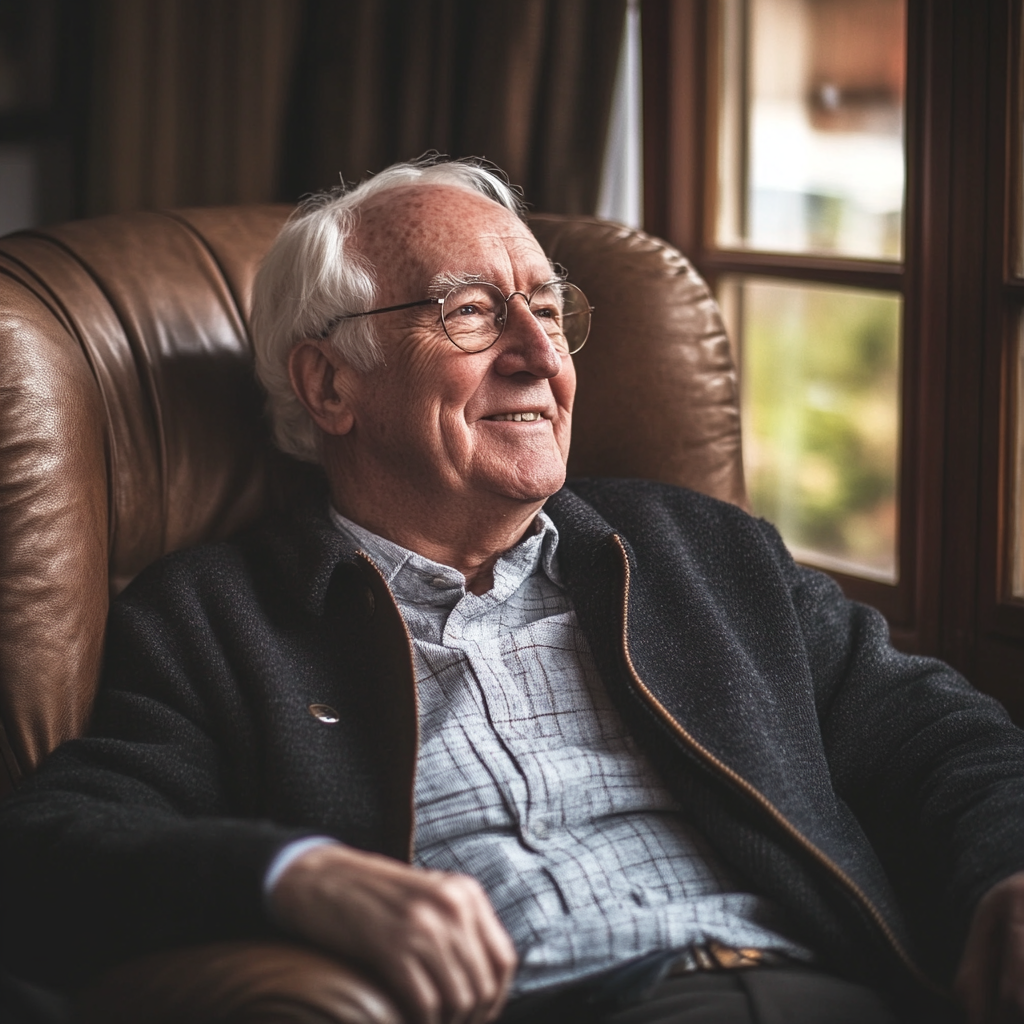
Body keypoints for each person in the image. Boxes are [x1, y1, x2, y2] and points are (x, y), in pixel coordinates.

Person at [1, 156, 1024, 1024]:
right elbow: (51, 852)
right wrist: (295, 877)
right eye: (471, 312)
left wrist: (1006, 872)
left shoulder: (704, 551)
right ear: (329, 386)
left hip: (825, 991)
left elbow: (940, 736)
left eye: (545, 307)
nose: (541, 356)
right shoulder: (216, 619)